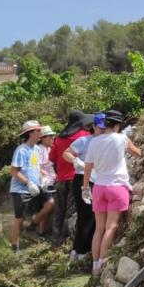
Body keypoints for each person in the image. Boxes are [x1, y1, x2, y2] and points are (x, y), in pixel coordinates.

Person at [83, 110, 142, 274]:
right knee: (111, 227)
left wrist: (85, 187)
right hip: (117, 187)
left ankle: (94, 264)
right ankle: (102, 262)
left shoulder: (94, 142)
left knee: (99, 228)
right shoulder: (122, 138)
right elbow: (138, 153)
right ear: (117, 125)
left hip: (99, 188)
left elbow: (88, 167)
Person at [49, 110, 94, 246]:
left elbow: (52, 158)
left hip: (61, 180)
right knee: (71, 212)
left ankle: (55, 239)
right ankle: (66, 241)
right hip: (76, 178)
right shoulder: (85, 136)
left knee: (59, 211)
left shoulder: (58, 138)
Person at [63, 114, 102, 261]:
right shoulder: (84, 140)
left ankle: (80, 249)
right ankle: (81, 251)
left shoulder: (107, 141)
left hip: (98, 181)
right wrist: (75, 161)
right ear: (93, 126)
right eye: (98, 126)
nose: (101, 129)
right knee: (86, 215)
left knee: (91, 216)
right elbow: (66, 153)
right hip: (83, 180)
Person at [9, 120, 53, 252]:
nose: (40, 133)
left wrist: (42, 178)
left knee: (50, 203)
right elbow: (14, 171)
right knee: (20, 218)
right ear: (30, 133)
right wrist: (28, 183)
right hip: (20, 189)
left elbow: (35, 167)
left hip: (36, 187)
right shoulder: (21, 150)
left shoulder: (36, 149)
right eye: (38, 130)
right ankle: (15, 247)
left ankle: (33, 226)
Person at [33, 125, 58, 236]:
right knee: (49, 204)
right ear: (42, 138)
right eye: (49, 137)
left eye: (52, 137)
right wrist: (41, 176)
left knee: (47, 207)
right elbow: (34, 165)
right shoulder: (37, 150)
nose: (52, 139)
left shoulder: (50, 149)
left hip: (51, 180)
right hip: (43, 182)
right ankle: (35, 222)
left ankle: (41, 231)